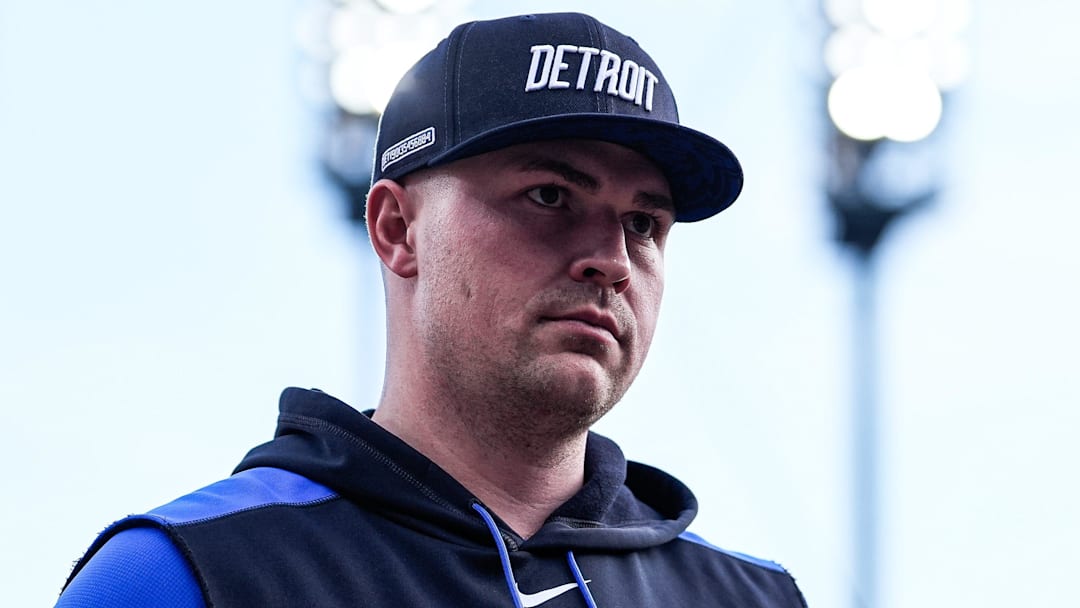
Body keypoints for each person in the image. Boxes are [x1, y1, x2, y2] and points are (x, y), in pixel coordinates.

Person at [56, 12, 806, 607]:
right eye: (549, 196)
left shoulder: (754, 597)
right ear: (397, 229)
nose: (610, 259)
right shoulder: (187, 575)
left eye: (644, 223)